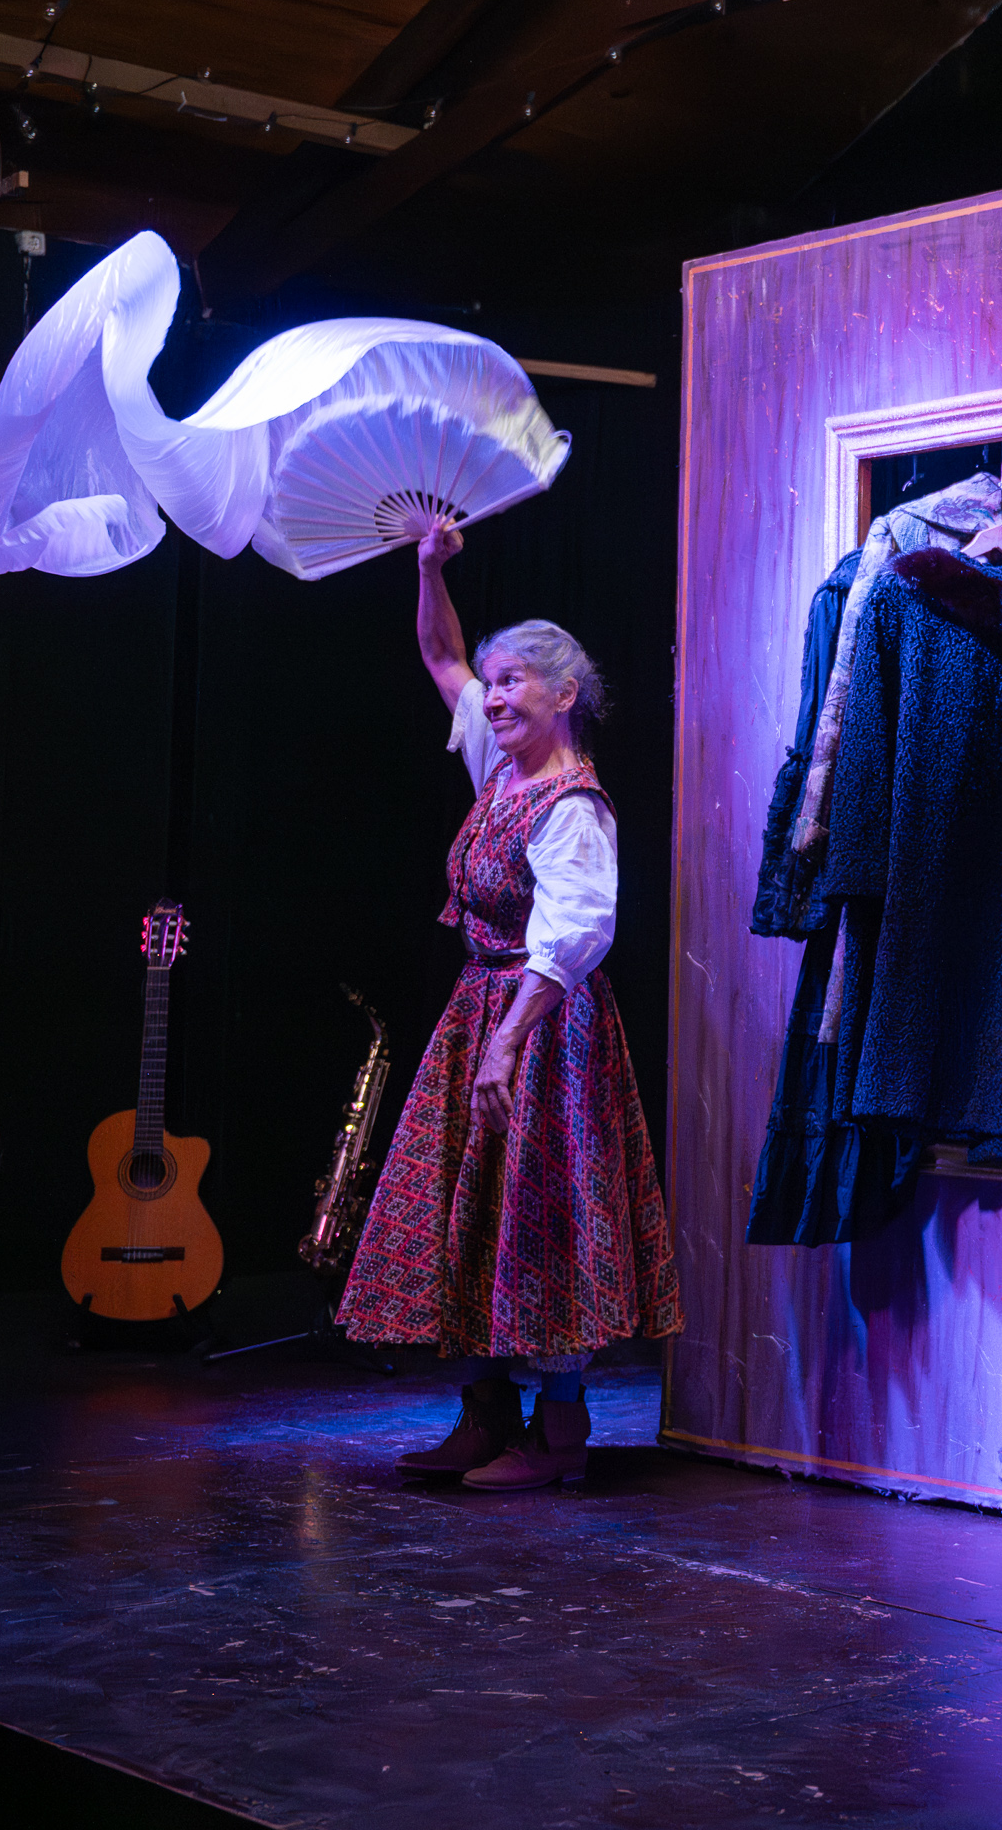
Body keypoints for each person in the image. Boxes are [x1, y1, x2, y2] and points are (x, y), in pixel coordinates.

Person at [338, 522, 682, 1489]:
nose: (490, 697)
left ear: (564, 694)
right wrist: (429, 568)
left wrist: (507, 1044)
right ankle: (484, 1417)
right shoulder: (497, 766)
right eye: (491, 684)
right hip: (480, 1010)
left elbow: (576, 934)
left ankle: (559, 1430)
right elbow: (440, 655)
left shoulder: (571, 806)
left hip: (547, 1025)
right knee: (472, 1207)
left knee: (545, 1211)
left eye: (512, 681)